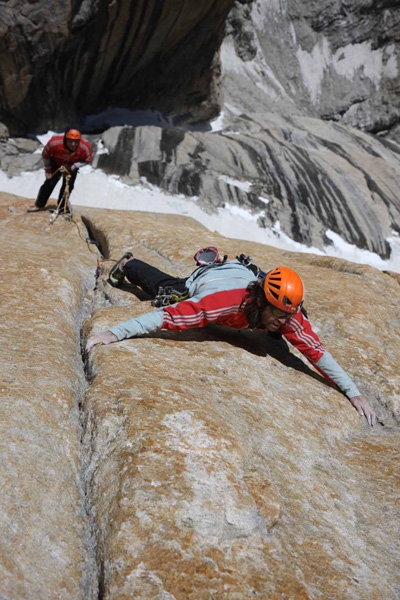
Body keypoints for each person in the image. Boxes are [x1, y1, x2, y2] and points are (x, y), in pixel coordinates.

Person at [86, 252, 377, 426]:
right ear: (261, 302)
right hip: (210, 279)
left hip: (246, 274)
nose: (284, 322)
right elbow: (168, 318)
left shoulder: (288, 315)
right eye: (278, 315)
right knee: (168, 290)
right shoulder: (221, 304)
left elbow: (316, 352)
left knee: (288, 333)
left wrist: (353, 392)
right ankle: (130, 264)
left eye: (288, 315)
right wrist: (114, 333)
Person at [29, 128, 92, 213]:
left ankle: (62, 207)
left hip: (72, 165)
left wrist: (72, 166)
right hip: (56, 163)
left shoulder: (84, 147)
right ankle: (39, 204)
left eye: (76, 142)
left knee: (68, 186)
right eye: (70, 141)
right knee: (49, 183)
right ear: (65, 140)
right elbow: (45, 154)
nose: (73, 144)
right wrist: (48, 169)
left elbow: (87, 160)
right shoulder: (54, 143)